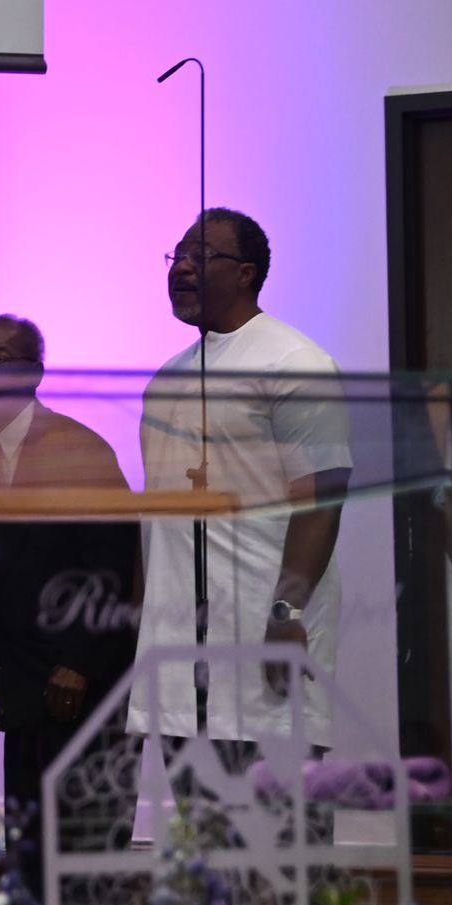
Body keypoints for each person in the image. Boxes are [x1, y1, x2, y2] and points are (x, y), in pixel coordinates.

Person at [133, 210, 351, 756]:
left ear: (246, 273)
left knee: (271, 810)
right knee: (195, 811)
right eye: (177, 255)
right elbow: (155, 518)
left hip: (265, 635)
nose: (181, 267)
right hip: (176, 655)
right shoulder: (167, 377)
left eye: (201, 256)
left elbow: (321, 498)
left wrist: (287, 612)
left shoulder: (294, 361)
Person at [0, 314, 139, 905]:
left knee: (88, 829)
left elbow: (113, 565)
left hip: (86, 672)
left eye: (0, 357)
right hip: (22, 673)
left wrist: (80, 663)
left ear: (34, 371)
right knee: (28, 835)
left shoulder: (78, 448)